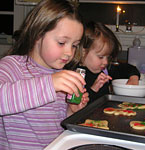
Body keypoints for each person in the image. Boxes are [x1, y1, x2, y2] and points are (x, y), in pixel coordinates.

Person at [0, 0, 89, 149]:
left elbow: (55, 127)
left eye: (74, 45)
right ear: (37, 35)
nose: (69, 53)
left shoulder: (60, 76)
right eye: (61, 43)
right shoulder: (12, 66)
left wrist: (70, 111)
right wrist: (50, 84)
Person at [65, 21, 140, 104]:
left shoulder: (105, 70)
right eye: (101, 57)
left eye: (108, 57)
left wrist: (134, 78)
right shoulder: (74, 74)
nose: (105, 62)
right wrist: (94, 89)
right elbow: (76, 106)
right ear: (83, 52)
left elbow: (130, 69)